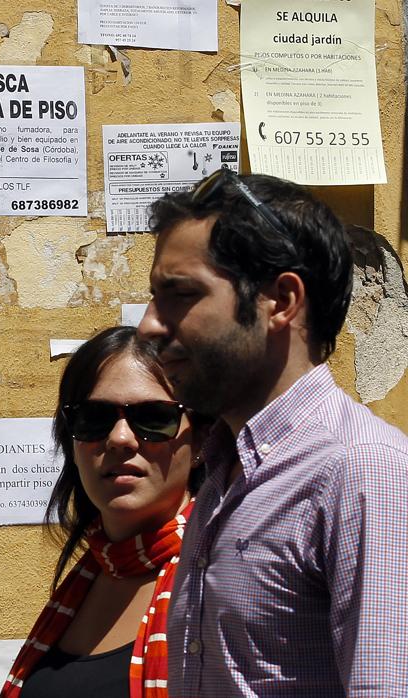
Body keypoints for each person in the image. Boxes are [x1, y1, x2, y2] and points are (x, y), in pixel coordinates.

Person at [138, 169, 408, 696]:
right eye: (154, 296)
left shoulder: (364, 472)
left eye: (180, 294)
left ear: (281, 302)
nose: (149, 324)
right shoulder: (222, 470)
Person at [2, 326, 207, 698]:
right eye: (94, 418)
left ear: (200, 443)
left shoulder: (227, 576)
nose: (120, 438)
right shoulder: (86, 580)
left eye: (154, 417)